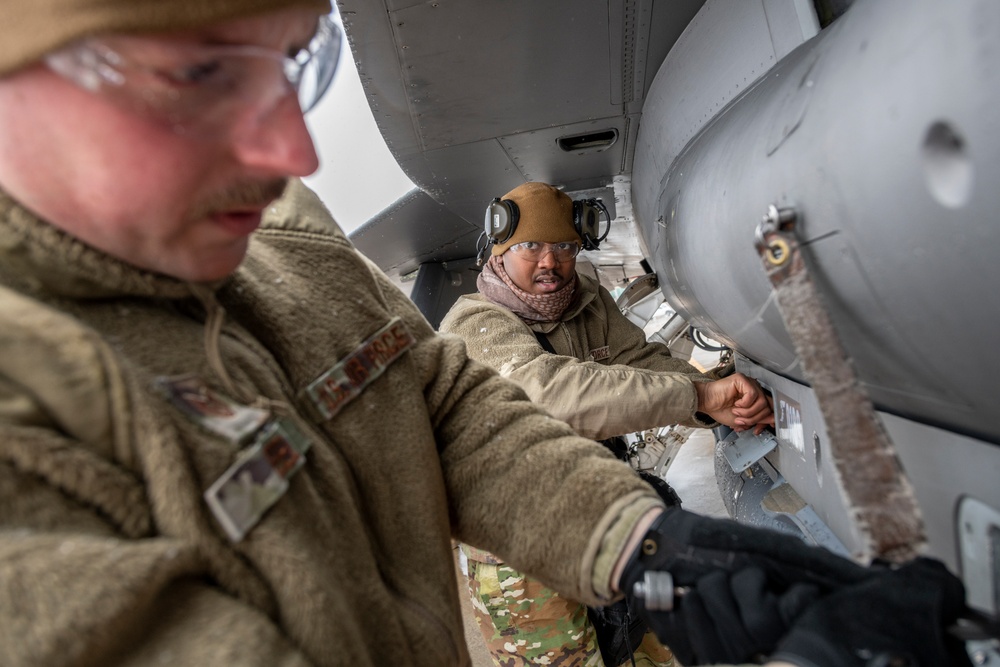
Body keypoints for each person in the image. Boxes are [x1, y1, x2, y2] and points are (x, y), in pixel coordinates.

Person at [0, 3, 972, 667]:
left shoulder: (289, 244)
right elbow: (550, 395)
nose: (291, 152)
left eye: (290, 62)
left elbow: (444, 406)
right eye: (205, 71)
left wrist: (649, 542)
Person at [439, 181, 776, 666]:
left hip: (598, 516)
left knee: (651, 649)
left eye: (564, 247)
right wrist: (698, 393)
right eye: (530, 246)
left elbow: (640, 360)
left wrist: (717, 400)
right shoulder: (475, 325)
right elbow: (549, 393)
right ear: (500, 248)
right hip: (521, 551)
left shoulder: (588, 305)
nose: (549, 262)